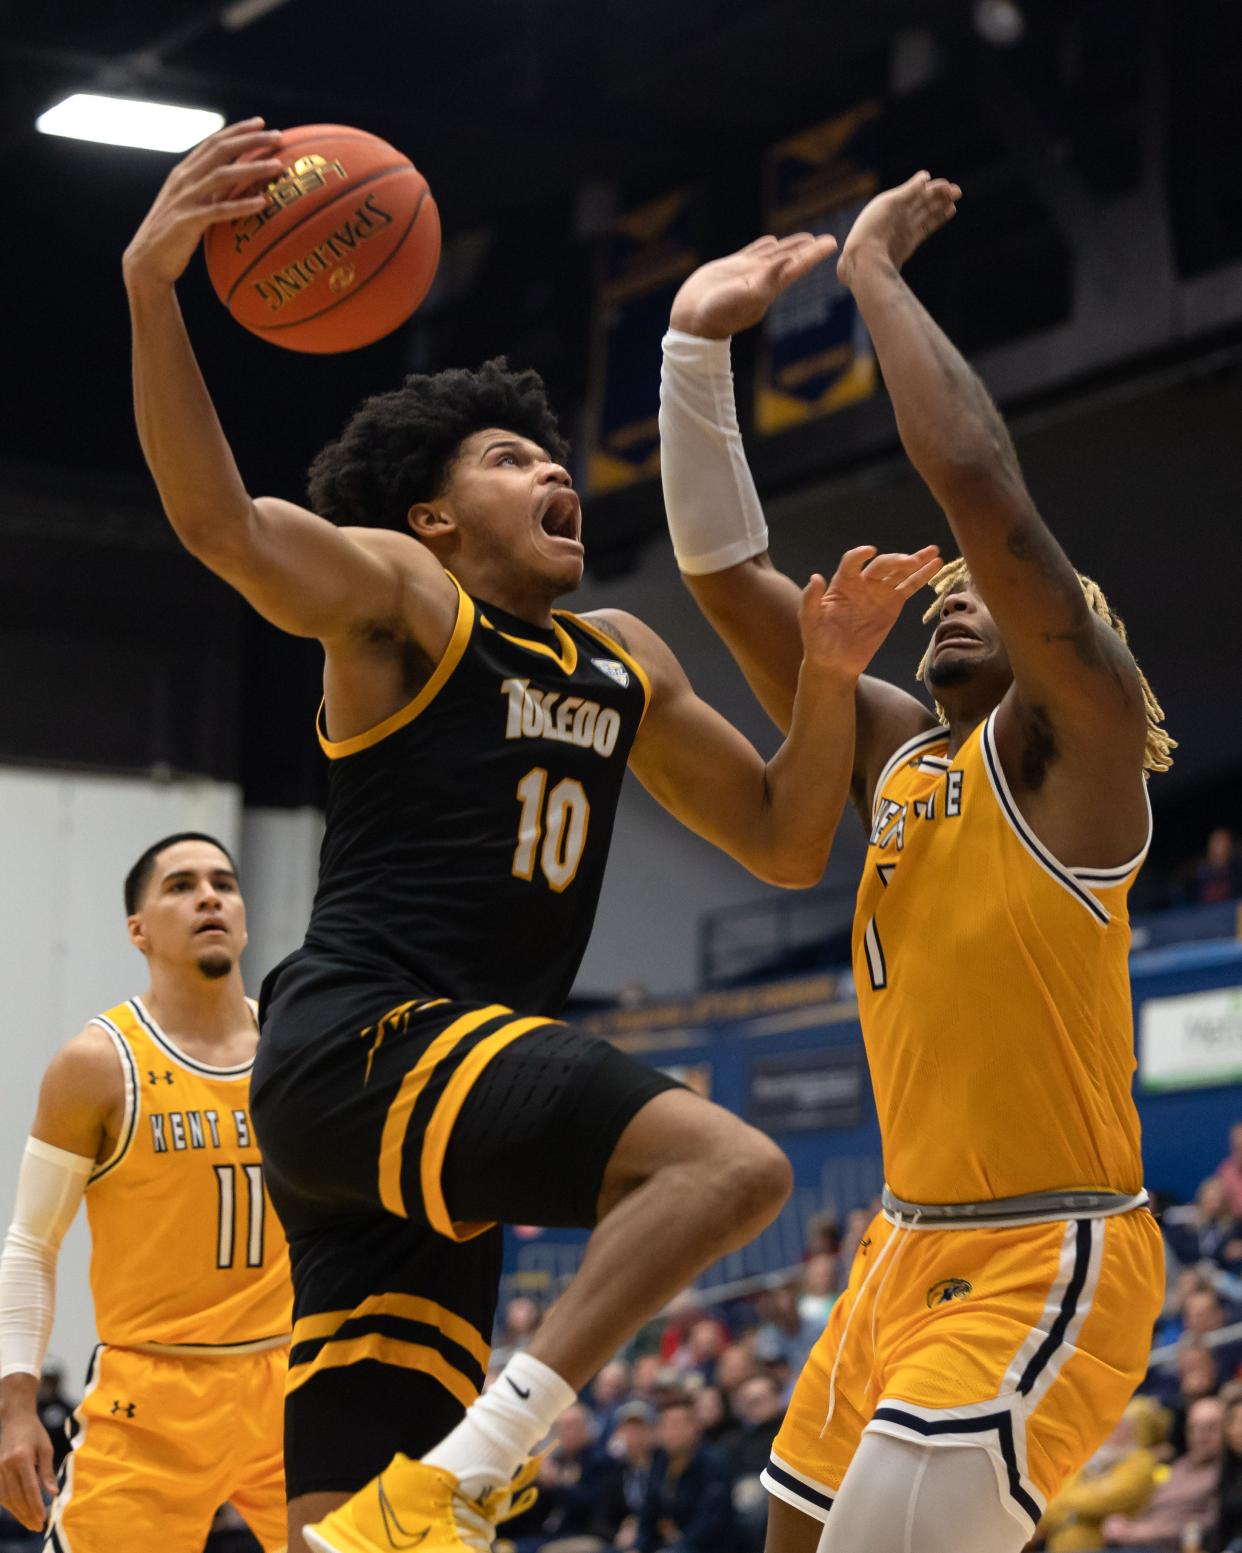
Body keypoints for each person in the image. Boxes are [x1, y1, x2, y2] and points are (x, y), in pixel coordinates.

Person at [121, 119, 942, 1553]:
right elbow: (217, 526)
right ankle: (481, 1460)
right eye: (512, 459)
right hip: (371, 1039)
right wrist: (151, 289)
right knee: (729, 1169)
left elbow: (782, 840)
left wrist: (821, 678)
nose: (553, 470)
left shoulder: (619, 653)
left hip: (425, 1109)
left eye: (553, 454)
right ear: (434, 516)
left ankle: (431, 1493)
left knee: (356, 1534)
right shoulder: (400, 598)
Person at [657, 173, 1174, 1553]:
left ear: (1064, 638)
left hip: (1044, 1249)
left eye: (980, 598)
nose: (953, 603)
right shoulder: (902, 756)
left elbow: (973, 480)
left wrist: (873, 274)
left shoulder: (1078, 750)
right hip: (898, 1246)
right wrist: (692, 352)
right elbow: (722, 577)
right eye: (936, 597)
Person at [0, 834, 291, 1551]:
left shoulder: (299, 1044)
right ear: (138, 929)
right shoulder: (96, 1064)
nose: (209, 895)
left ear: (244, 917)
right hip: (153, 1395)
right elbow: (33, 1240)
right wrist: (14, 1406)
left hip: (293, 1377)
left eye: (223, 882)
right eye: (181, 884)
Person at [1039, 1395, 1168, 1553]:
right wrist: (1072, 1507)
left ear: (1132, 1432)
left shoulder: (1141, 1461)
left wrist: (1066, 1505)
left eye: (1117, 1427)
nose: (1108, 1433)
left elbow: (1109, 1498)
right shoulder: (1087, 1463)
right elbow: (1046, 1510)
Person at [1101, 1394, 1223, 1549]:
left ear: (1226, 1429)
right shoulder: (1180, 1465)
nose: (1200, 1436)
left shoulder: (1225, 1473)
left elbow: (1210, 1526)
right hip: (1135, 1542)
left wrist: (1146, 1532)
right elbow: (1153, 1507)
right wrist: (1124, 1523)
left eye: (1210, 1428)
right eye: (1193, 1428)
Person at [636, 1399, 735, 1553]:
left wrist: (680, 1543)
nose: (669, 1432)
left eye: (675, 1426)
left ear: (694, 1427)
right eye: (664, 1426)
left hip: (704, 1547)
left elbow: (712, 1521)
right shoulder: (660, 1462)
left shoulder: (714, 1462)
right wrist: (638, 1547)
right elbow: (648, 1513)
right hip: (664, 1545)